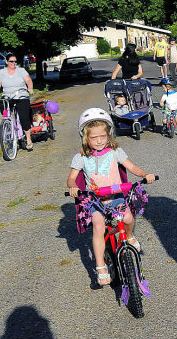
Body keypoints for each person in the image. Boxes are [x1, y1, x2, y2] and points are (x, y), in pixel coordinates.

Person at [66, 108, 155, 286]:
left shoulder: (115, 151)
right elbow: (71, 178)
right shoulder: (81, 157)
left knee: (128, 218)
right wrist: (73, 187)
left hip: (115, 196)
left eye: (103, 136)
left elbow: (131, 167)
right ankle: (100, 267)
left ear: (109, 134)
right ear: (85, 138)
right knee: (99, 227)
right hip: (95, 201)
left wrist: (145, 174)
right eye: (94, 137)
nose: (99, 141)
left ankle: (129, 237)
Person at [0, 53, 35, 151]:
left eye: (15, 61)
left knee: (24, 117)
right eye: (11, 61)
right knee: (3, 107)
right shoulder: (1, 72)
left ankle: (28, 139)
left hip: (21, 96)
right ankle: (8, 123)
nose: (14, 63)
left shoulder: (21, 70)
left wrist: (30, 88)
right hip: (8, 96)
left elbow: (28, 80)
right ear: (6, 62)